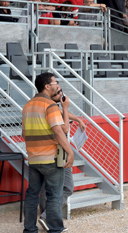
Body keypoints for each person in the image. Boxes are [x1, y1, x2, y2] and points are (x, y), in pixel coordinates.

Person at [22, 73, 74, 233]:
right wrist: (70, 152)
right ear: (47, 86)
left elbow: (24, 134)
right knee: (54, 195)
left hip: (33, 159)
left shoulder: (27, 106)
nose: (57, 85)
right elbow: (59, 131)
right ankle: (55, 229)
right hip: (50, 159)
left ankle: (29, 229)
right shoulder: (50, 106)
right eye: (55, 83)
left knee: (32, 195)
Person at [38, 95, 86, 231]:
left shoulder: (51, 107)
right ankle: (47, 217)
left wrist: (77, 119)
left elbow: (61, 113)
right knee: (65, 187)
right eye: (58, 91)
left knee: (51, 187)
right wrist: (65, 107)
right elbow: (64, 129)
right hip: (58, 152)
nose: (61, 95)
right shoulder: (49, 107)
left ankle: (45, 217)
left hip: (52, 151)